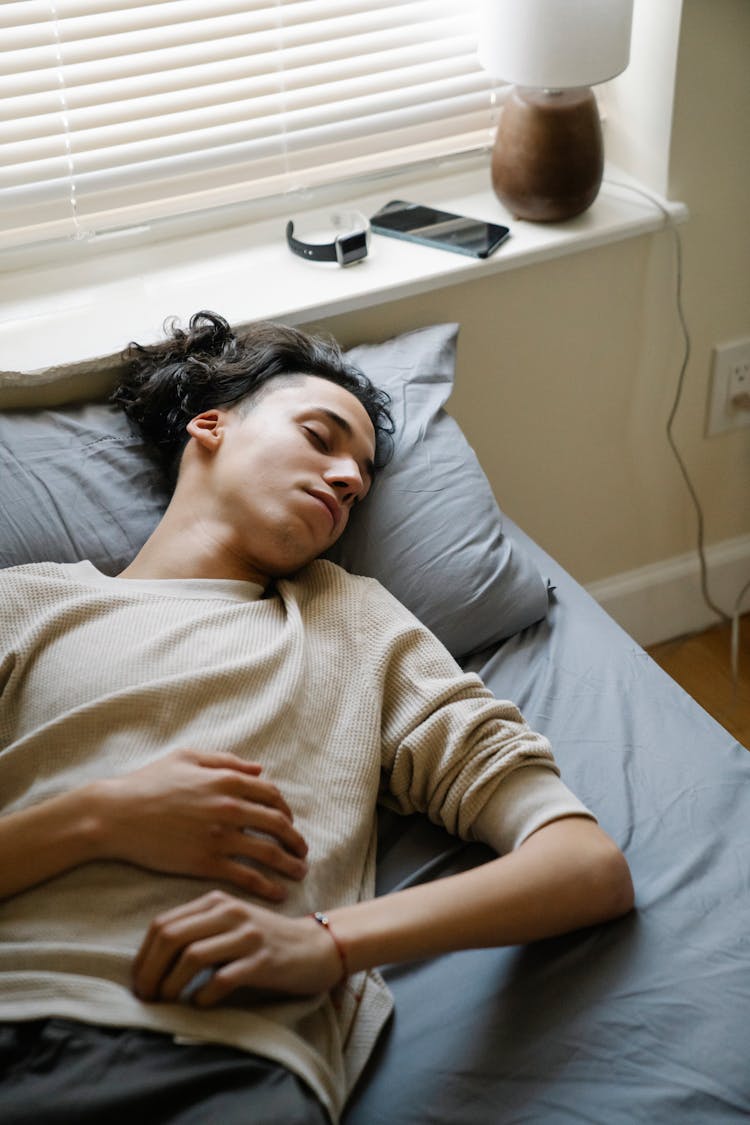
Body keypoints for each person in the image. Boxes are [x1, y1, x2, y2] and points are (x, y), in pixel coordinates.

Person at [0, 312, 633, 1124]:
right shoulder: (27, 605)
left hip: (214, 1062)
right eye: (320, 436)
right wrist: (98, 819)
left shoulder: (353, 623)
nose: (348, 480)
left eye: (362, 476)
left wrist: (327, 943)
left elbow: (583, 865)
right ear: (211, 424)